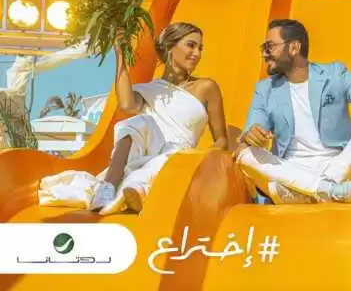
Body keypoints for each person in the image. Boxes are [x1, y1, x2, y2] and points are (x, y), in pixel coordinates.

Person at [40, 22, 229, 214]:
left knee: (167, 154)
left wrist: (201, 158)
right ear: (170, 46)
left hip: (178, 159)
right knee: (135, 123)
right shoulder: (151, 90)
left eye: (200, 48)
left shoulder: (206, 87)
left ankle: (136, 190)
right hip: (144, 154)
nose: (197, 53)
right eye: (191, 45)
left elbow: (221, 140)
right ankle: (108, 188)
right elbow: (126, 105)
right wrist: (120, 54)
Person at [235, 19, 351, 204]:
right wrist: (254, 136)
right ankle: (330, 190)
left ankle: (309, 191)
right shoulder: (265, 89)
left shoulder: (334, 74)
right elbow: (250, 135)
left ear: (294, 48)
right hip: (290, 169)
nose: (264, 54)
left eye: (270, 47)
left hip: (339, 163)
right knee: (244, 154)